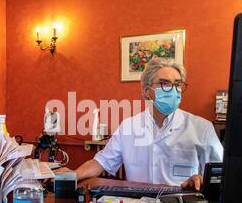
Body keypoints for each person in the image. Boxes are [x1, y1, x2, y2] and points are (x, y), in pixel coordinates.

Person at [59, 57, 223, 191]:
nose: (173, 90)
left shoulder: (202, 128)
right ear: (146, 91)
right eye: (164, 83)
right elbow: (101, 162)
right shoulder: (128, 127)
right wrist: (73, 175)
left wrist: (202, 179)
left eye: (177, 84)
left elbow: (222, 174)